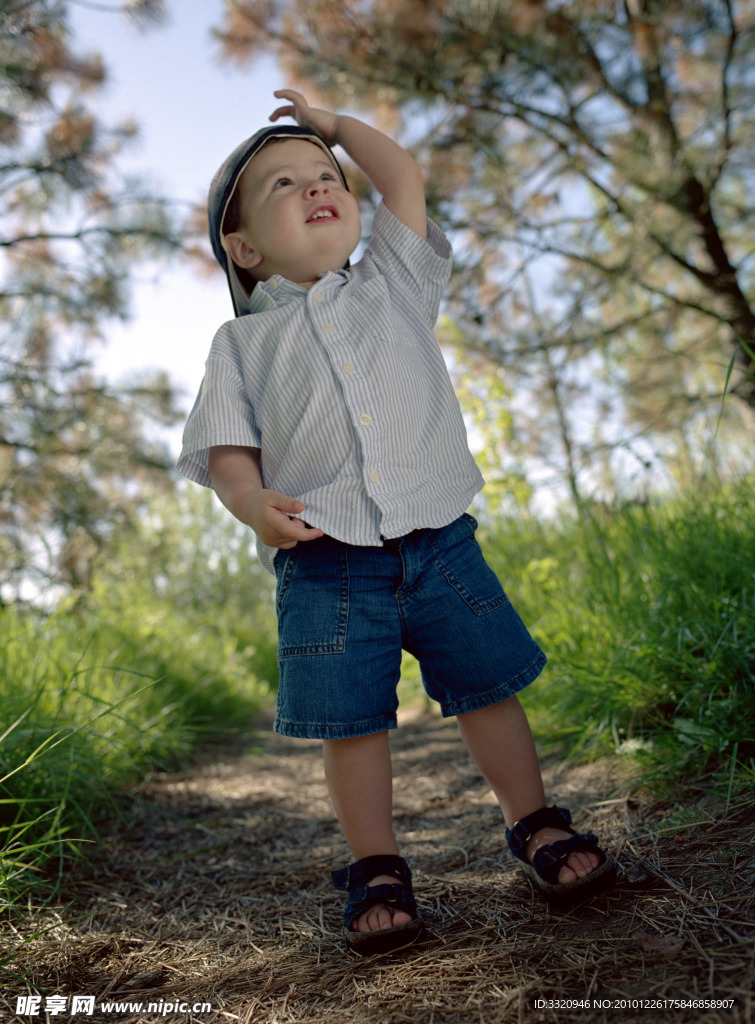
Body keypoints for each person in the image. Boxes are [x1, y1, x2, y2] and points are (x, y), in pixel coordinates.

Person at [177, 89, 615, 955]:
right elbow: (227, 446)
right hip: (326, 559)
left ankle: (533, 821)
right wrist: (246, 499)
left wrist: (336, 128)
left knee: (487, 685)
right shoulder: (241, 347)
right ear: (244, 248)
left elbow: (402, 178)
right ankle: (376, 865)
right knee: (352, 720)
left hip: (437, 535)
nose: (316, 186)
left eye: (324, 175)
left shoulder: (393, 282)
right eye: (283, 185)